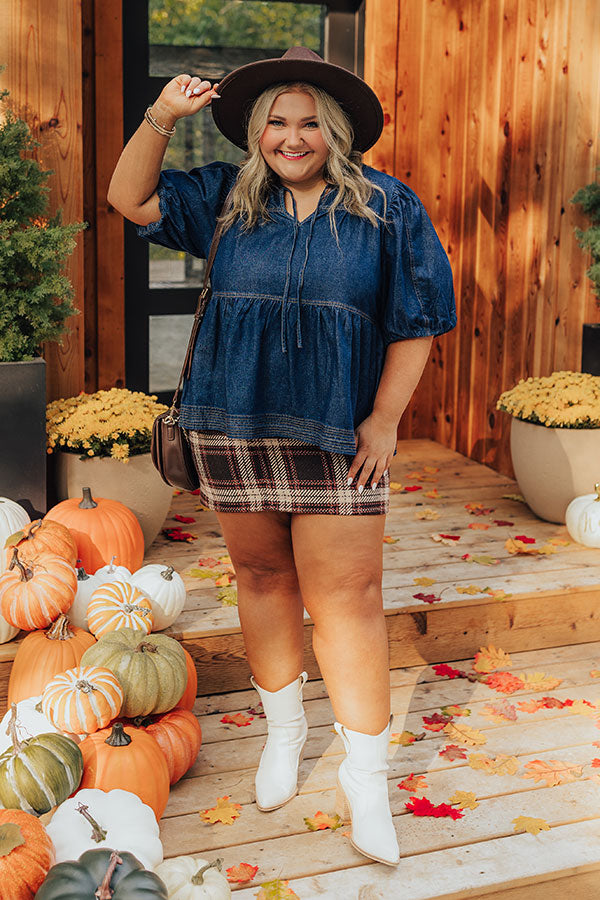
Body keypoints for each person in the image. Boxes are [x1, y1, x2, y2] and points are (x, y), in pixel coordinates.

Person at [107, 46, 456, 868]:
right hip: (234, 422)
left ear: (335, 133)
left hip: (336, 431)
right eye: (276, 122)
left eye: (308, 123)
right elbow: (130, 197)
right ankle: (284, 736)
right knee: (262, 579)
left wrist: (383, 420)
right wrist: (162, 116)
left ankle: (365, 776)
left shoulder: (387, 208)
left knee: (349, 599)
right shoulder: (226, 198)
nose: (290, 137)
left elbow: (418, 322)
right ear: (257, 132)